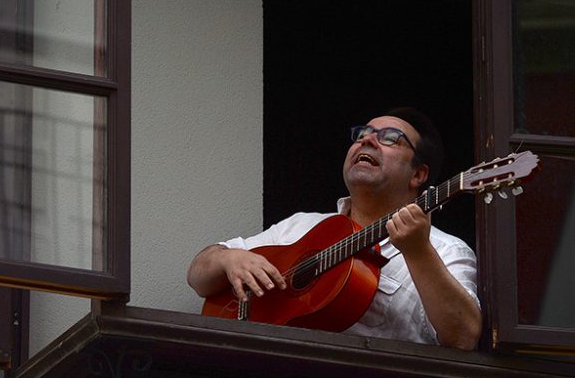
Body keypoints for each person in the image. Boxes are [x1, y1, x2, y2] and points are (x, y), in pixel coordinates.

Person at [186, 108, 482, 350]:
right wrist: (228, 259)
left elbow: (464, 338)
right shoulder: (301, 225)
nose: (367, 141)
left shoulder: (445, 251)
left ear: (418, 174)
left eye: (390, 138)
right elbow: (198, 278)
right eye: (362, 135)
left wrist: (419, 252)